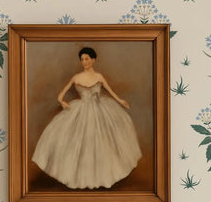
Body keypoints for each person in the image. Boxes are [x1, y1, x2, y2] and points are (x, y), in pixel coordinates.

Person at [32, 47, 141, 189]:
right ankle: (80, 178)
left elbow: (111, 91)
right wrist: (63, 102)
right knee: (79, 143)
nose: (84, 62)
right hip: (80, 111)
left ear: (93, 60)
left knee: (101, 143)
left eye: (87, 59)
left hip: (99, 111)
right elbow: (60, 96)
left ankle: (101, 177)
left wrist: (120, 101)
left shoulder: (99, 77)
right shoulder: (76, 78)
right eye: (82, 59)